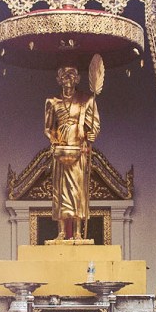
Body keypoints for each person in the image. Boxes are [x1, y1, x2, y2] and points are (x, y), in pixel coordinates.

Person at [44, 66, 100, 241]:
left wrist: (92, 134)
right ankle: (61, 231)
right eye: (64, 76)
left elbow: (95, 124)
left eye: (71, 76)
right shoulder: (52, 102)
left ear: (77, 79)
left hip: (79, 151)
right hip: (61, 152)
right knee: (60, 192)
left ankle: (77, 232)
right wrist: (55, 141)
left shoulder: (87, 100)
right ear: (59, 79)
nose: (68, 79)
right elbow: (48, 128)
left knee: (78, 192)